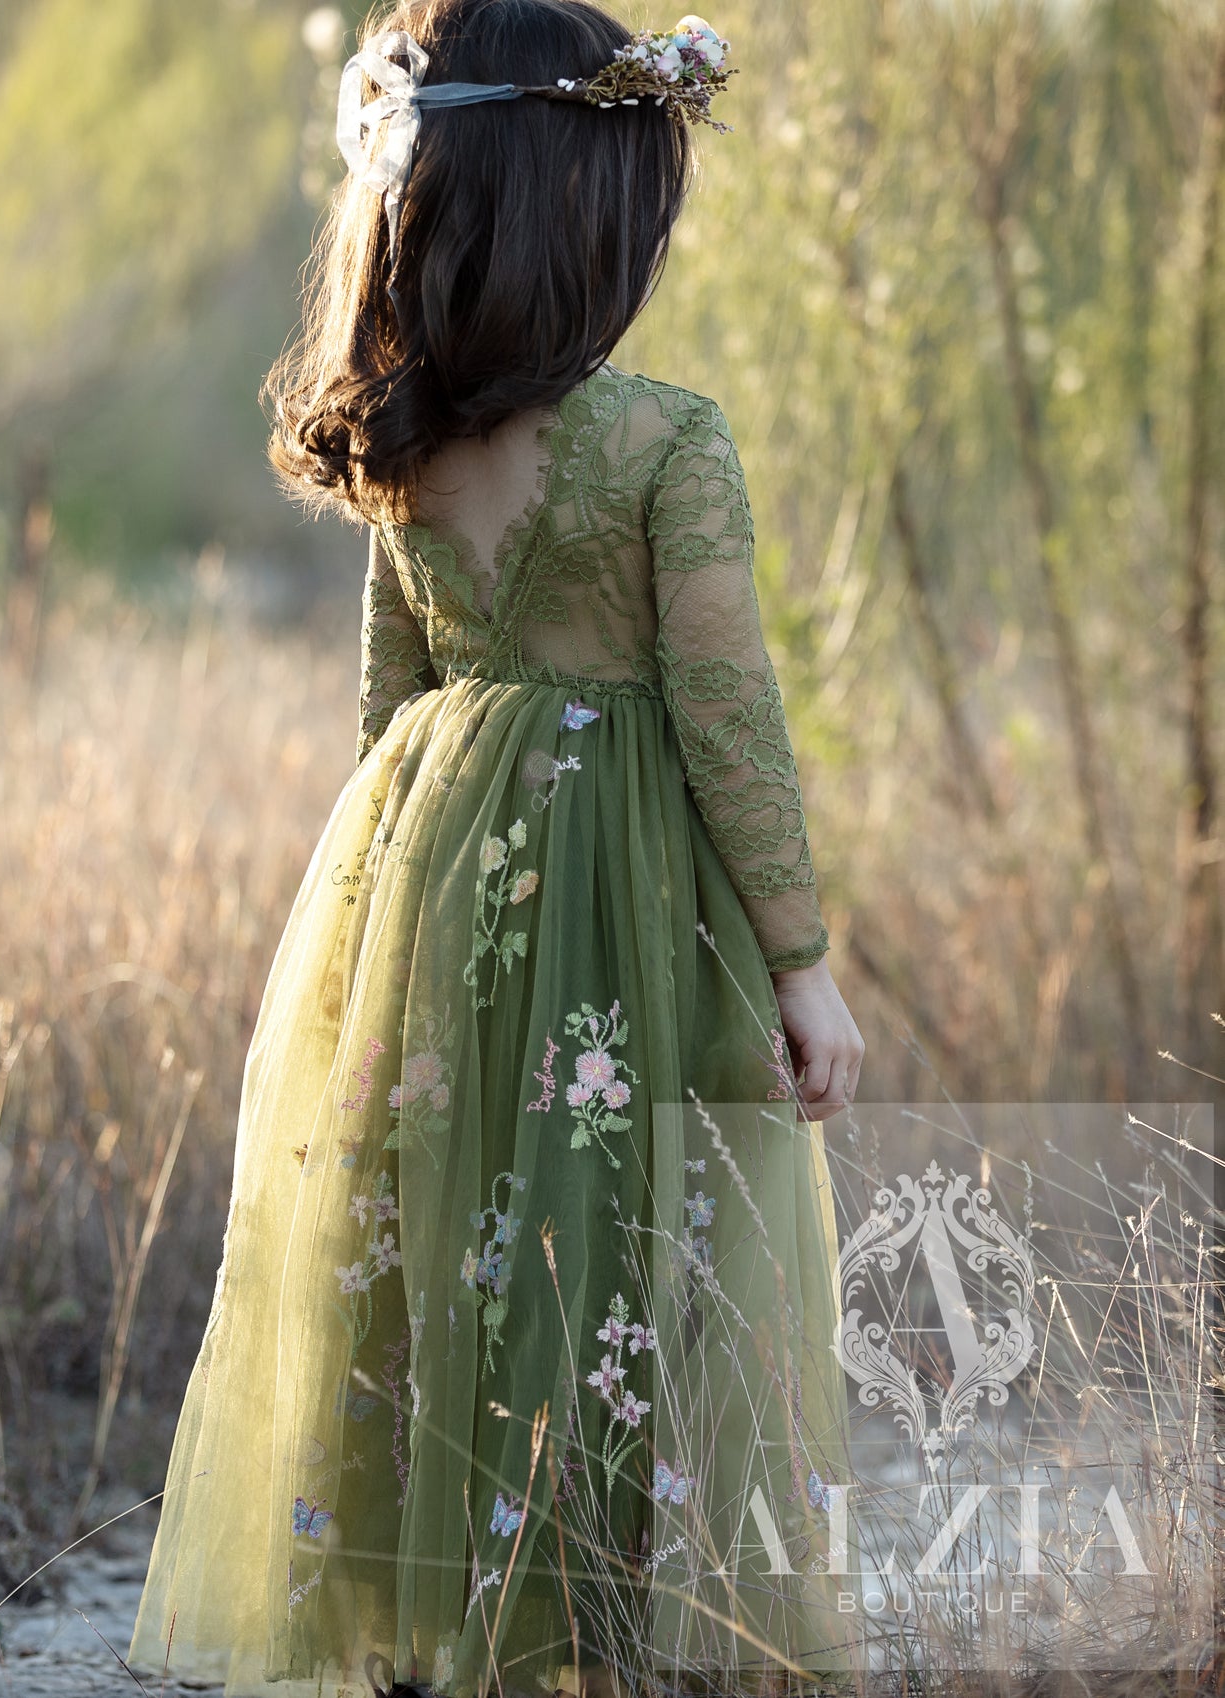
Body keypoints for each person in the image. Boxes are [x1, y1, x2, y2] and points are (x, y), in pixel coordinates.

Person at [128, 2, 866, 1694]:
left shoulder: (405, 450)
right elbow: (727, 715)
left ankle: (439, 1619)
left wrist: (388, 916)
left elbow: (391, 712)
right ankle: (593, 1623)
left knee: (445, 1238)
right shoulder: (667, 441)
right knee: (623, 1254)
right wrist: (802, 961)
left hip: (426, 870)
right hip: (630, 892)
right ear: (579, 225)